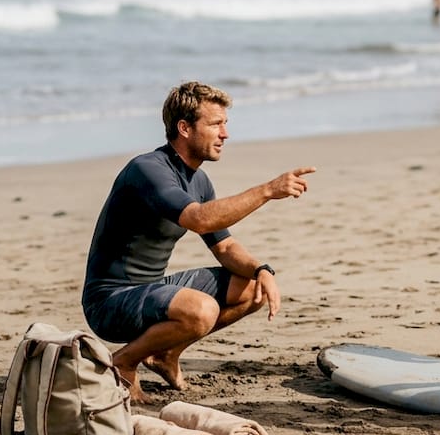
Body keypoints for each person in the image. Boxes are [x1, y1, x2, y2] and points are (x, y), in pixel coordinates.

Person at [81, 81, 316, 403]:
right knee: (201, 311)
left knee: (252, 288)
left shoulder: (199, 180)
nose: (225, 134)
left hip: (150, 288)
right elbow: (200, 218)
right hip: (110, 301)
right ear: (185, 128)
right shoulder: (148, 170)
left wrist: (261, 269)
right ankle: (124, 362)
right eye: (216, 124)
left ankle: (165, 354)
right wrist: (266, 191)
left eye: (225, 124)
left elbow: (224, 247)